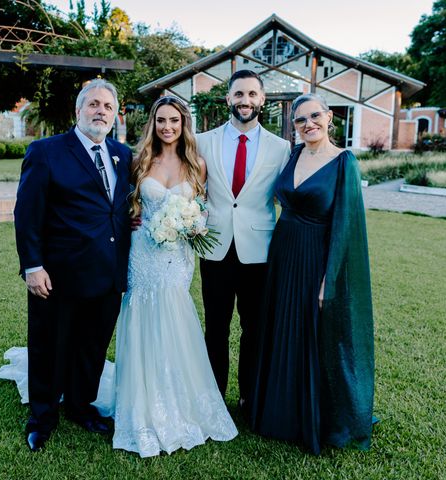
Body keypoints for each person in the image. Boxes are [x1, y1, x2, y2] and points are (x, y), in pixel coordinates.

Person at [98, 95, 237, 457]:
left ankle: (179, 401)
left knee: (175, 318)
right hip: (143, 253)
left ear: (183, 123)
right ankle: (142, 404)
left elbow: (203, 208)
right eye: (161, 120)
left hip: (177, 258)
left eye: (174, 120)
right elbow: (124, 201)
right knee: (143, 316)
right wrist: (129, 216)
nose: (168, 127)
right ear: (153, 123)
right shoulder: (139, 159)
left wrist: (194, 225)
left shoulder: (197, 165)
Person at [248, 93, 374, 454]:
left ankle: (310, 416)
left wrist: (328, 280)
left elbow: (345, 227)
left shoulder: (343, 162)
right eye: (300, 120)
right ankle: (276, 412)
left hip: (315, 259)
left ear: (329, 117)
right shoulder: (294, 155)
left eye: (314, 116)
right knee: (280, 329)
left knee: (310, 336)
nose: (308, 124)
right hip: (282, 256)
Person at [13, 79, 133, 452]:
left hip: (108, 272)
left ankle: (82, 406)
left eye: (108, 107)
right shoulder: (46, 151)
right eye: (94, 104)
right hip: (58, 275)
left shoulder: (122, 154)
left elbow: (118, 206)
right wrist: (33, 265)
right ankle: (42, 418)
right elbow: (26, 214)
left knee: (91, 347)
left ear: (114, 116)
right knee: (50, 346)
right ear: (78, 111)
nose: (101, 111)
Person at [195, 70, 291, 407]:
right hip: (215, 247)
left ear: (262, 99)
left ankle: (251, 397)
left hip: (259, 253)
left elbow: (291, 196)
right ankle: (214, 398)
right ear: (228, 99)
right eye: (239, 94)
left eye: (252, 94)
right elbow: (192, 189)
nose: (245, 101)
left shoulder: (282, 148)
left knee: (255, 329)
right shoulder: (202, 140)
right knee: (216, 329)